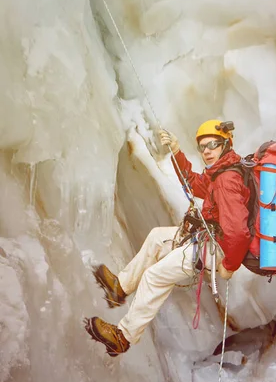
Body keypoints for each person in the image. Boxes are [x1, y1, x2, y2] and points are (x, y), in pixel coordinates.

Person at [84, 119, 252, 356]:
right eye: (202, 147)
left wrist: (228, 266)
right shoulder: (221, 173)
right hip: (209, 238)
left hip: (216, 249)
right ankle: (119, 287)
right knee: (156, 238)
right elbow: (194, 185)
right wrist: (176, 151)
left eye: (213, 144)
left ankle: (123, 337)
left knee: (154, 277)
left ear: (227, 143)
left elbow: (239, 233)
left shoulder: (227, 180)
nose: (206, 151)